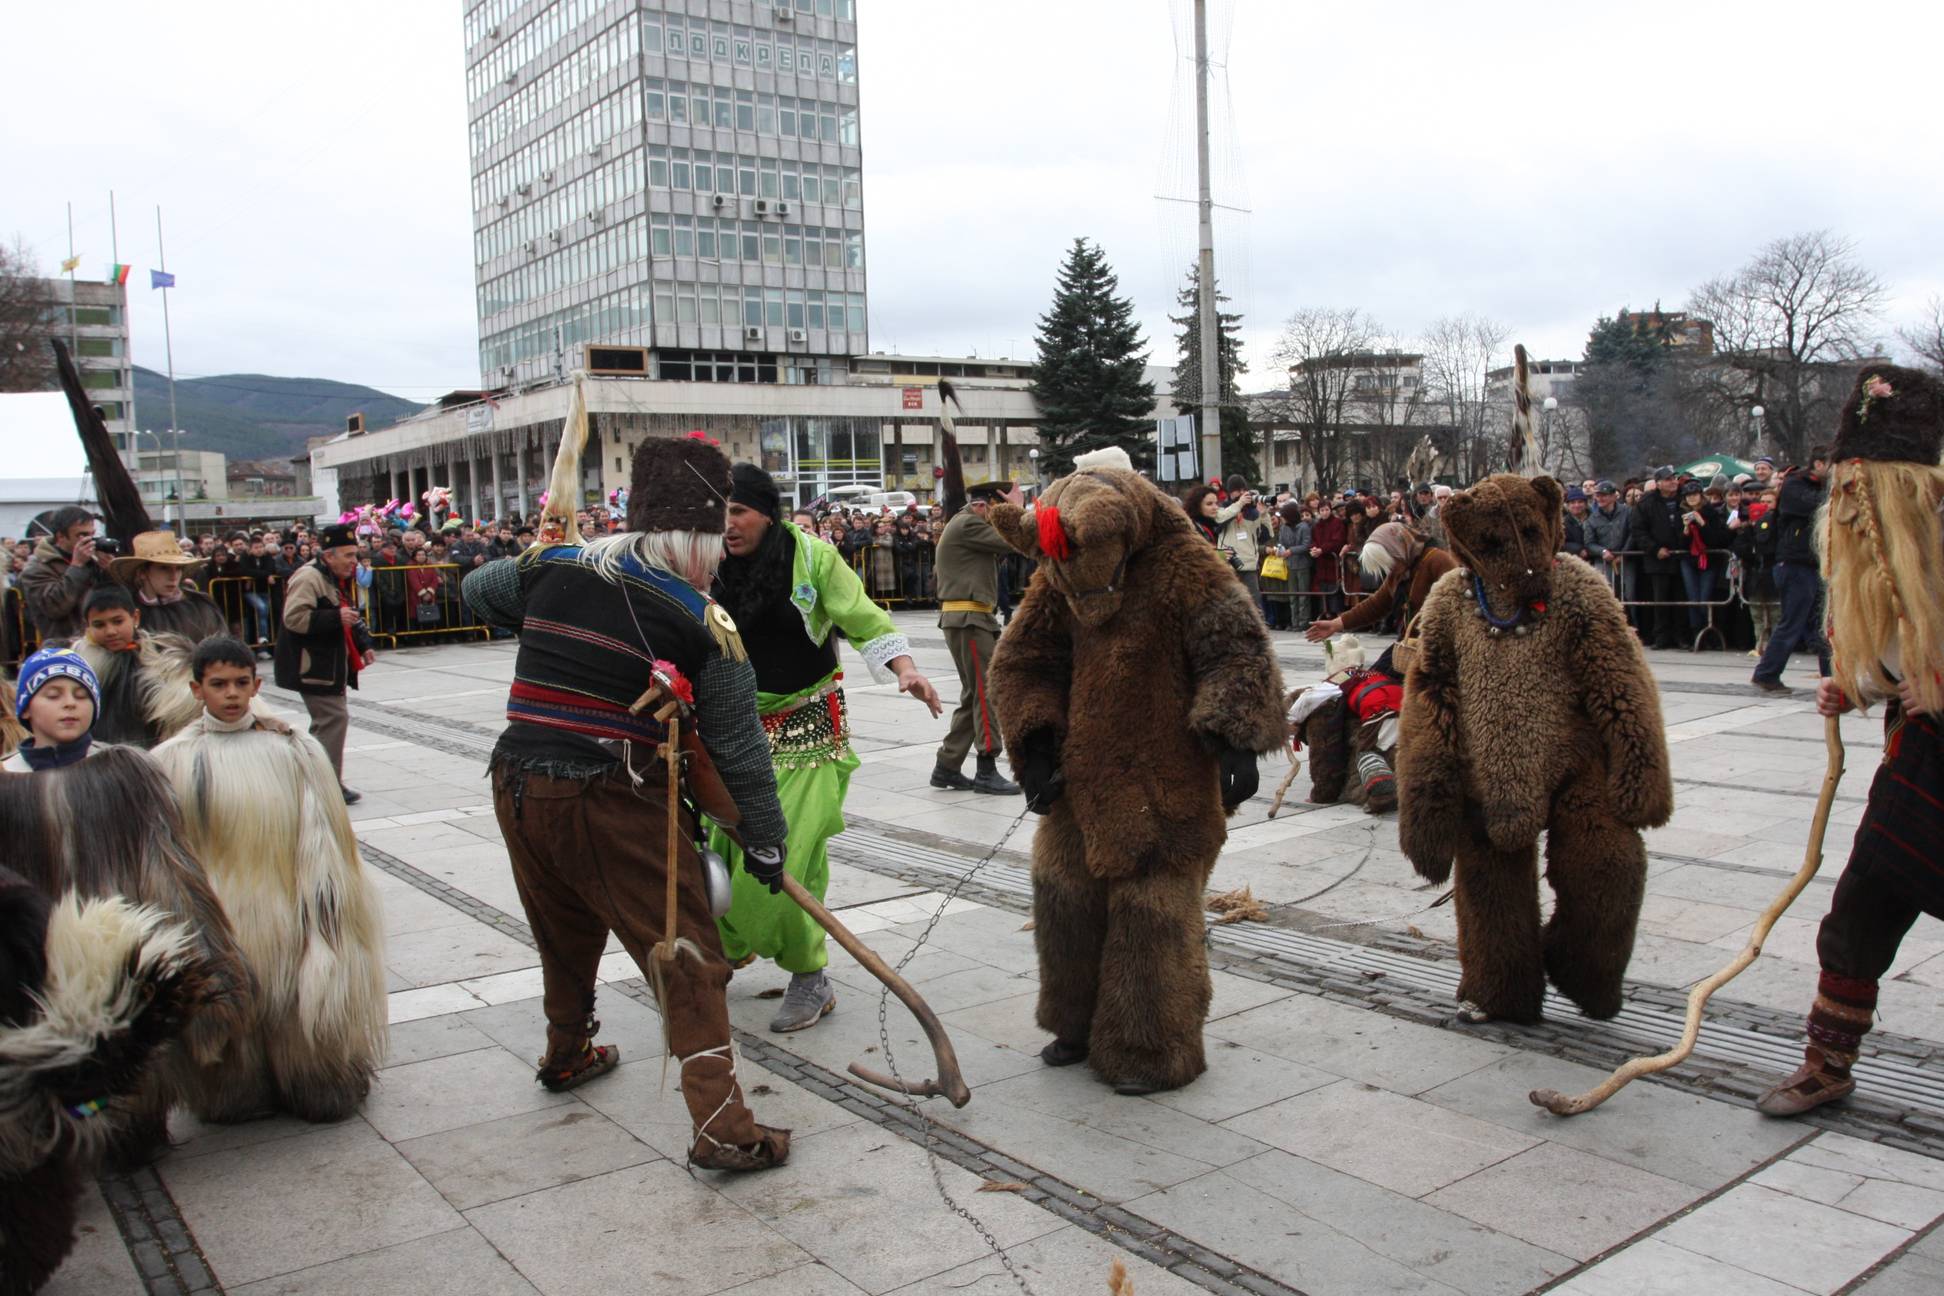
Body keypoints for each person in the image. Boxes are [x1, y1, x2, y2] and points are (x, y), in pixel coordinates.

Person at [460, 433, 794, 1172]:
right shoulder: (703, 620)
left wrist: (546, 561)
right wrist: (766, 841)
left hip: (516, 782)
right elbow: (741, 753)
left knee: (563, 925)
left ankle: (567, 1052)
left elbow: (477, 590)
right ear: (701, 539)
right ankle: (724, 1129)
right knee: (688, 954)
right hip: (612, 793)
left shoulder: (557, 565)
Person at [1756, 366, 1944, 1116]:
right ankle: (1828, 1062)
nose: (1851, 509)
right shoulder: (1880, 553)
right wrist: (1862, 688)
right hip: (1919, 753)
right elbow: (1902, 648)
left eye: (1868, 491)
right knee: (1862, 907)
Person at [711, 463, 943, 1032]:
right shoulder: (702, 560)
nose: (727, 524)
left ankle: (809, 975)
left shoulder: (813, 557)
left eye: (738, 511)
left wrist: (906, 669)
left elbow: (863, 618)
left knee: (782, 858)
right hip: (732, 733)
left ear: (768, 514)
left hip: (807, 731)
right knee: (719, 857)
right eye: (720, 512)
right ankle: (729, 947)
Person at [152, 636, 388, 1124]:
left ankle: (309, 1077)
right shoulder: (170, 761)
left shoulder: (296, 749)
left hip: (287, 902)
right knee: (233, 1017)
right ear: (197, 690)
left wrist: (325, 908)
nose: (231, 694)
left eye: (241, 683)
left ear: (256, 685)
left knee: (299, 1012)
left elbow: (326, 836)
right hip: (221, 914)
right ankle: (237, 1084)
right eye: (218, 684)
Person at [930, 480, 1024, 795]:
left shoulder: (967, 524)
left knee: (974, 694)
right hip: (969, 619)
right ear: (983, 506)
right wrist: (1018, 511)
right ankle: (986, 768)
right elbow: (1014, 539)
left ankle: (947, 765)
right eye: (999, 511)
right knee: (986, 692)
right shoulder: (969, 523)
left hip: (970, 618)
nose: (1001, 518)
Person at [273, 523, 376, 803]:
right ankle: (326, 784)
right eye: (348, 555)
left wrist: (363, 644)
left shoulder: (331, 576)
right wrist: (334, 618)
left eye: (355, 555)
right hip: (313, 666)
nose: (354, 561)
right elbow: (294, 618)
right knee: (332, 719)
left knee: (328, 721)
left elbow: (346, 613)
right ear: (329, 555)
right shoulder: (309, 577)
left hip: (327, 664)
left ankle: (316, 780)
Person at [1751, 448, 1832, 694]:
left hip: (1814, 565)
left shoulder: (1819, 486)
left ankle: (1832, 676)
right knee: (1792, 622)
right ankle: (1766, 673)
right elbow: (1814, 506)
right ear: (1819, 464)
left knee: (1822, 626)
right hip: (1795, 564)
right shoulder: (1795, 484)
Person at [107, 530, 229, 643]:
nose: (173, 576)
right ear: (142, 572)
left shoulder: (201, 606)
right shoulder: (127, 611)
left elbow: (219, 648)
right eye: (164, 568)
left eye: (178, 568)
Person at [18, 506, 113, 642]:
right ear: (60, 536)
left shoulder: (92, 560)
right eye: (82, 535)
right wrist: (77, 566)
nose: (89, 540)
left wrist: (109, 571)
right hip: (64, 645)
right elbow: (54, 607)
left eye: (92, 534)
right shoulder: (37, 567)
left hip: (100, 640)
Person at [1630, 466, 1687, 649]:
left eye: (1674, 479)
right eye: (1668, 479)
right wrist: (1654, 549)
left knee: (1680, 599)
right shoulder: (1647, 503)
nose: (1673, 482)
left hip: (1681, 556)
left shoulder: (1683, 498)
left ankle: (1681, 636)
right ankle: (1661, 636)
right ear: (1659, 483)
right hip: (1657, 559)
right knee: (1660, 599)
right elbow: (1638, 531)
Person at [1583, 480, 1632, 600]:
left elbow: (1633, 534)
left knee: (1629, 595)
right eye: (1598, 495)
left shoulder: (1627, 512)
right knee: (1605, 596)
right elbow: (1589, 543)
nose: (1600, 498)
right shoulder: (1592, 519)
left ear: (1613, 496)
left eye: (1604, 495)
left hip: (1626, 562)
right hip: (1603, 562)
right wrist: (1603, 551)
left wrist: (1624, 553)